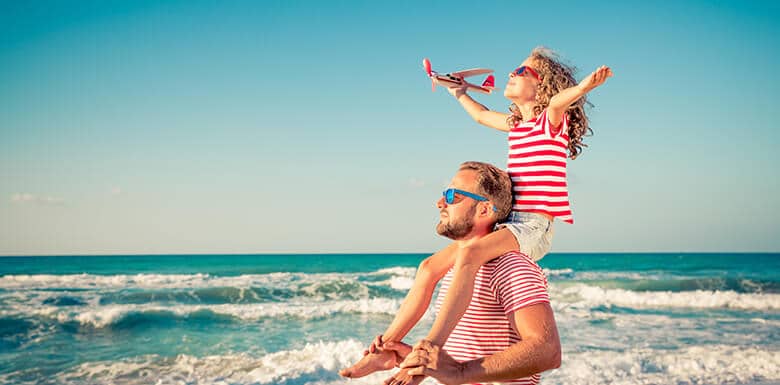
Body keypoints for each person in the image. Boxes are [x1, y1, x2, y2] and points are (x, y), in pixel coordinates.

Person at [340, 47, 611, 383]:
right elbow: (481, 115)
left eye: (523, 71)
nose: (513, 72)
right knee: (429, 268)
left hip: (533, 225)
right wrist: (458, 92)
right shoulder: (517, 125)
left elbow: (558, 102)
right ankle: (385, 348)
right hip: (511, 222)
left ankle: (431, 345)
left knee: (468, 254)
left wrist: (584, 87)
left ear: (542, 88)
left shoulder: (549, 123)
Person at [346, 161, 562, 385]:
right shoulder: (454, 272)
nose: (440, 203)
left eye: (452, 196)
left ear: (485, 209)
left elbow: (547, 351)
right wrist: (418, 361)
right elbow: (468, 359)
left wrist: (460, 372)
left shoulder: (510, 266)